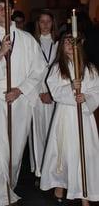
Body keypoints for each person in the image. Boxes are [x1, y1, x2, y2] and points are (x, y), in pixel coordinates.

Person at [0, 0, 45, 205]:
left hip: (19, 103)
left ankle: (8, 188)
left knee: (13, 155)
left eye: (7, 8)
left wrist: (20, 90)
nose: (4, 11)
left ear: (12, 11)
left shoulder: (27, 40)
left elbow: (39, 69)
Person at [40, 32, 99, 206]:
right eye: (65, 42)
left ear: (78, 44)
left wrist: (86, 98)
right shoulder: (58, 68)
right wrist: (71, 89)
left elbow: (96, 90)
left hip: (84, 118)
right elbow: (55, 91)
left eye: (71, 41)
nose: (68, 44)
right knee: (65, 153)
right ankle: (60, 184)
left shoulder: (89, 68)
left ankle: (84, 194)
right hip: (65, 117)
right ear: (61, 46)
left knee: (85, 153)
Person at [29, 10, 58, 183]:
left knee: (53, 132)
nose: (45, 25)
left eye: (48, 21)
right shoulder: (32, 43)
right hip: (38, 94)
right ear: (38, 24)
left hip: (55, 94)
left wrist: (52, 94)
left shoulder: (59, 43)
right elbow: (29, 70)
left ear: (53, 23)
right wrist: (40, 92)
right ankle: (40, 170)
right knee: (39, 132)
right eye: (42, 21)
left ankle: (53, 169)